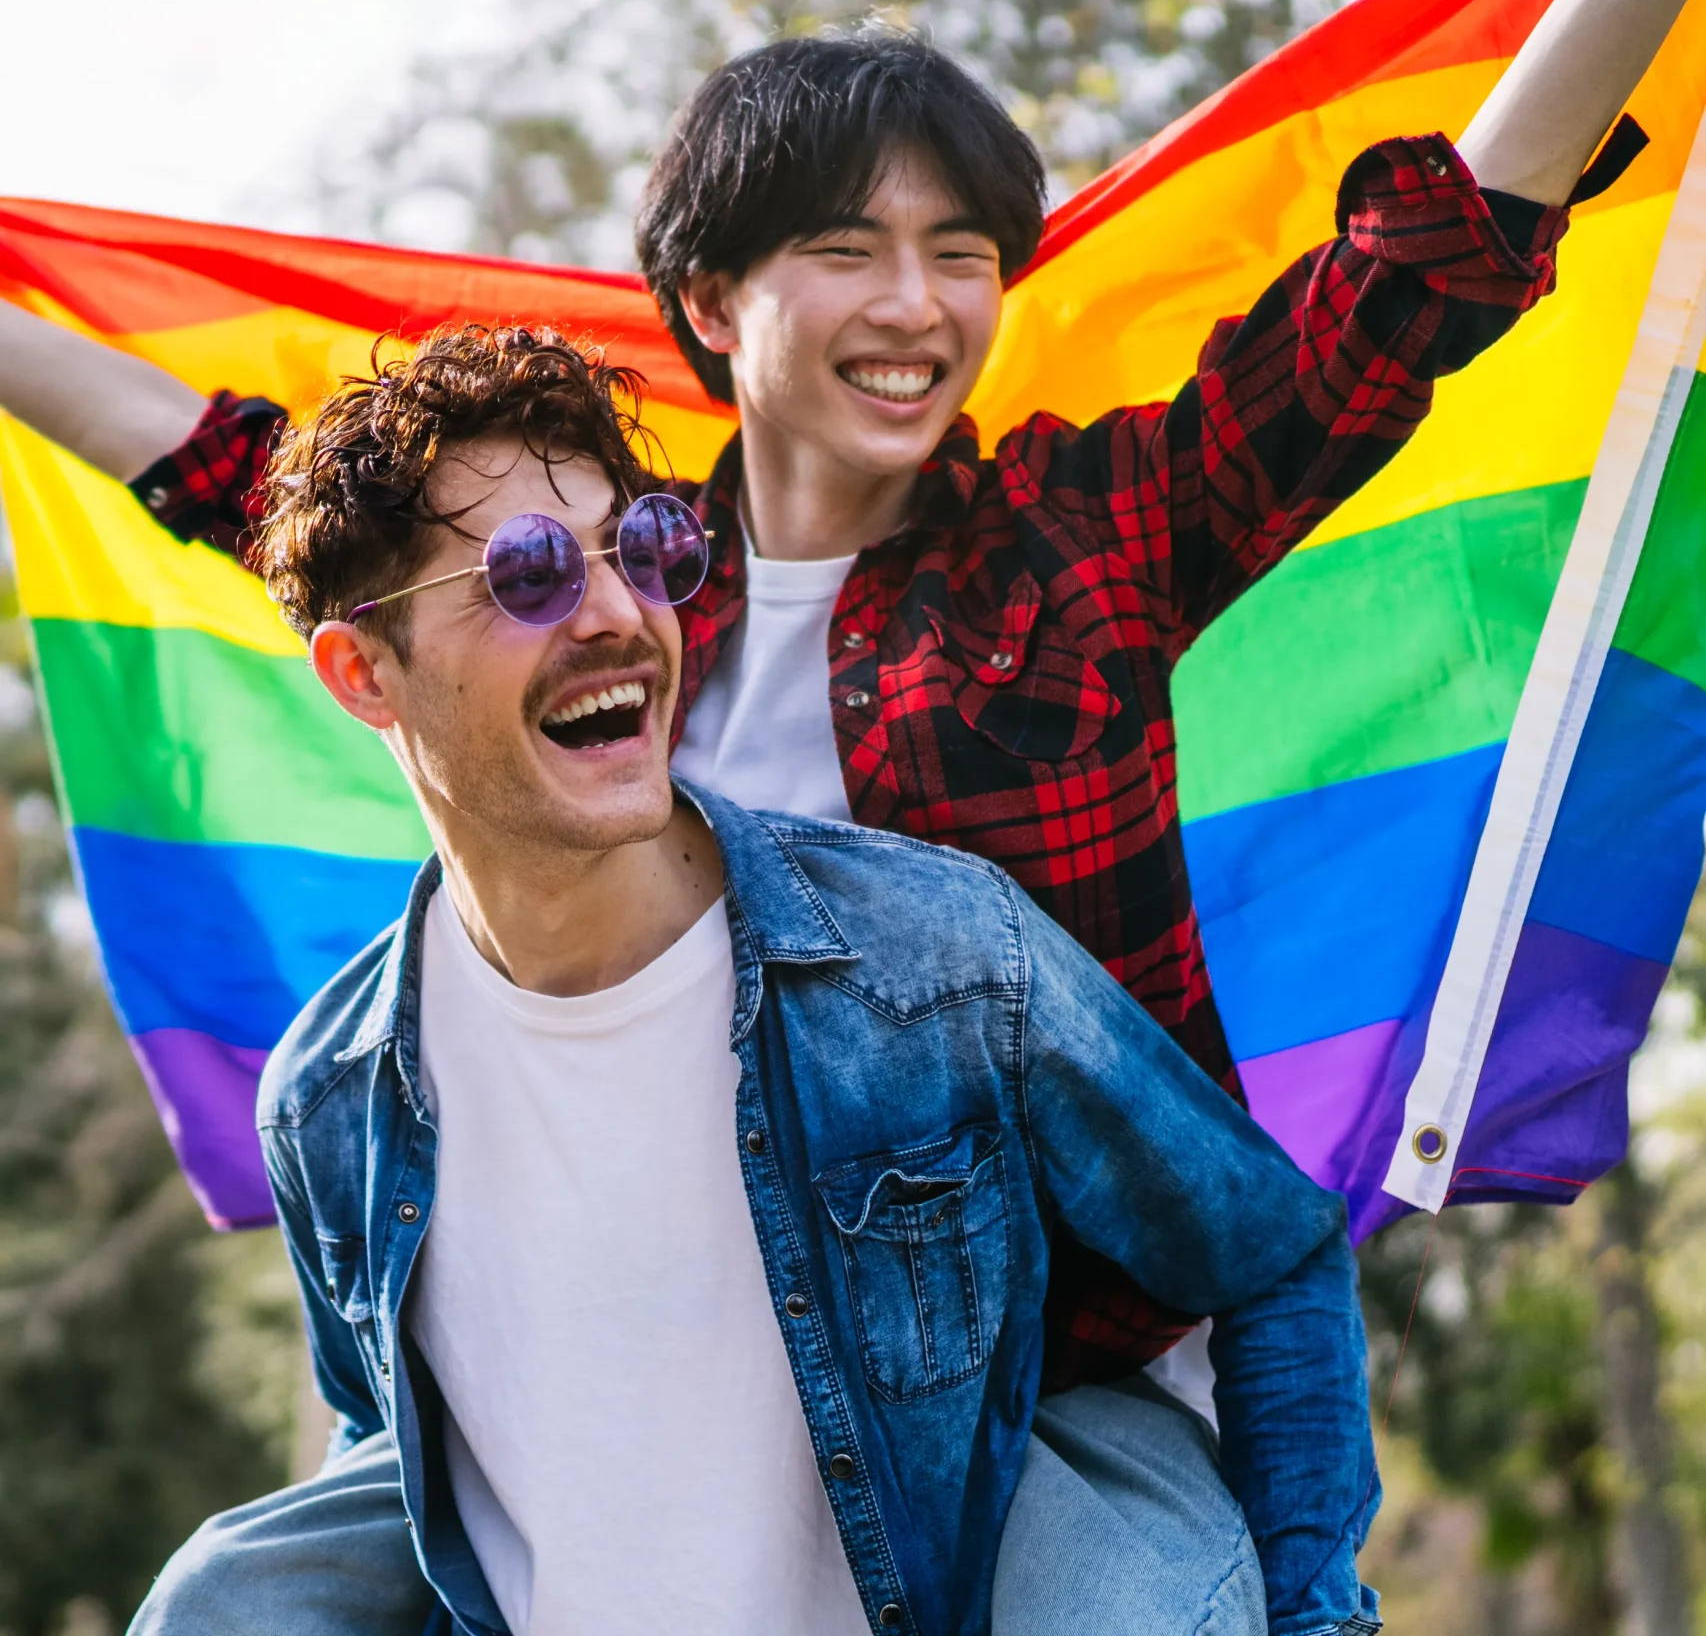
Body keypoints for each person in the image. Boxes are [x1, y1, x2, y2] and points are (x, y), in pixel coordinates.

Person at [0, 0, 1698, 1623]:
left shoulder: (1091, 532)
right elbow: (254, 482)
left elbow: (1412, 276)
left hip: (1042, 1372)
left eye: (961, 254)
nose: (916, 306)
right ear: (712, 299)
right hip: (672, 1370)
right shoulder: (612, 571)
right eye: (846, 249)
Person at [138, 325, 1382, 1636]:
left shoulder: (936, 965)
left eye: (643, 551)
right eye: (529, 575)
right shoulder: (330, 1106)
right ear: (362, 673)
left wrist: (1311, 1616)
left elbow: (1268, 1252)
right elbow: (387, 1444)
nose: (620, 615)